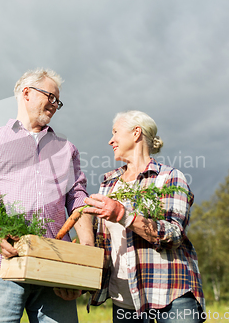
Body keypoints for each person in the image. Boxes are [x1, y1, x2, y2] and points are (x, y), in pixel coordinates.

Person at [0, 68, 94, 323]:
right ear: (26, 93)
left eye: (58, 101)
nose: (54, 105)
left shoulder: (67, 149)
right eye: (50, 96)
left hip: (54, 271)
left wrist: (85, 259)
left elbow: (78, 200)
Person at [83, 110, 205, 323]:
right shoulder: (108, 184)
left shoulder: (169, 177)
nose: (110, 140)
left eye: (115, 132)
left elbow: (174, 234)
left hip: (170, 294)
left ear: (136, 133)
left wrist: (122, 214)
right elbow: (100, 243)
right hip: (125, 300)